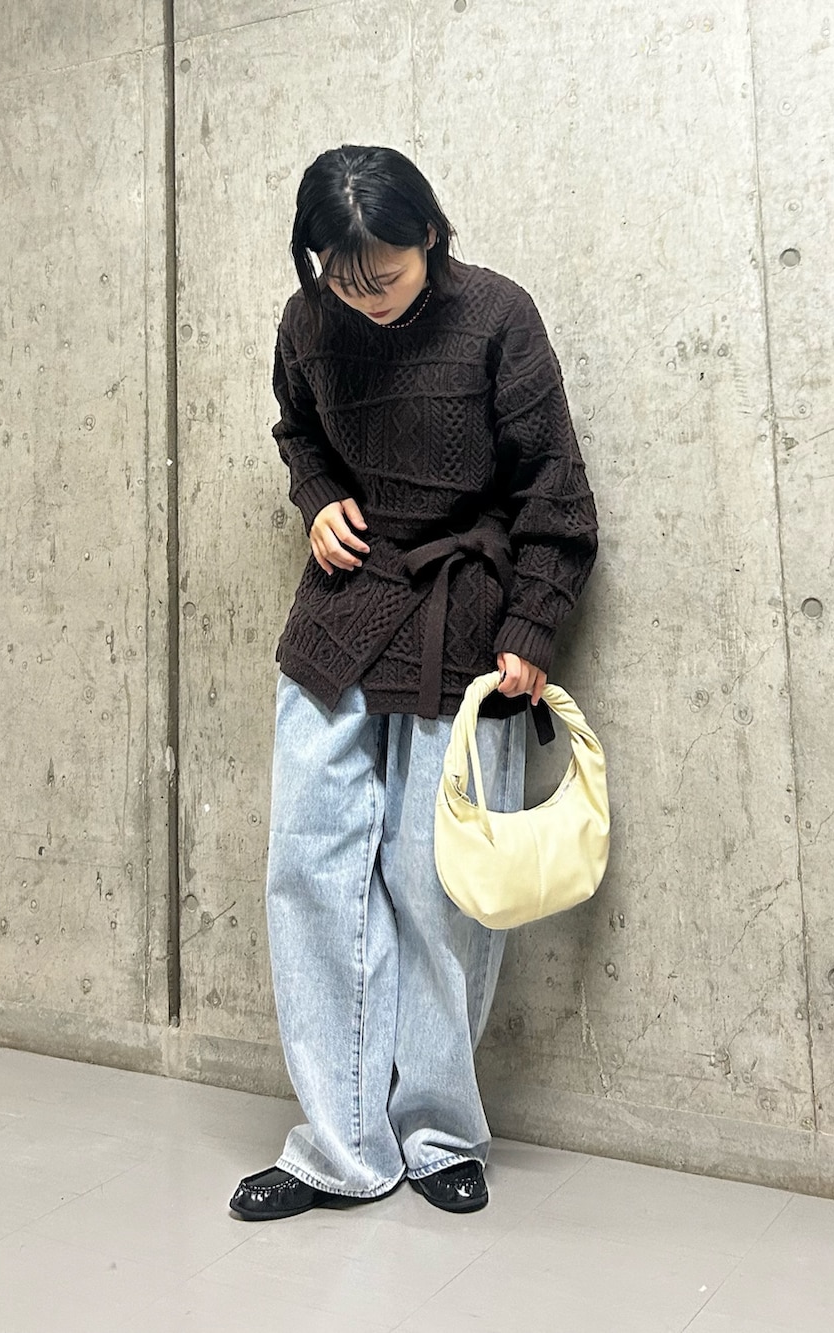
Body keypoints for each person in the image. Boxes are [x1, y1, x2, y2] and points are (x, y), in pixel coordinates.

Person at [229, 144, 598, 1220]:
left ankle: (438, 1132)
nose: (363, 296)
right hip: (342, 611)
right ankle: (340, 1148)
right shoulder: (307, 323)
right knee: (309, 870)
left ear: (429, 233)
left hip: (464, 619)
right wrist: (317, 498)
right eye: (339, 278)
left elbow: (554, 488)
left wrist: (531, 625)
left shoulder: (497, 315)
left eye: (381, 274)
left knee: (438, 889)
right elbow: (298, 428)